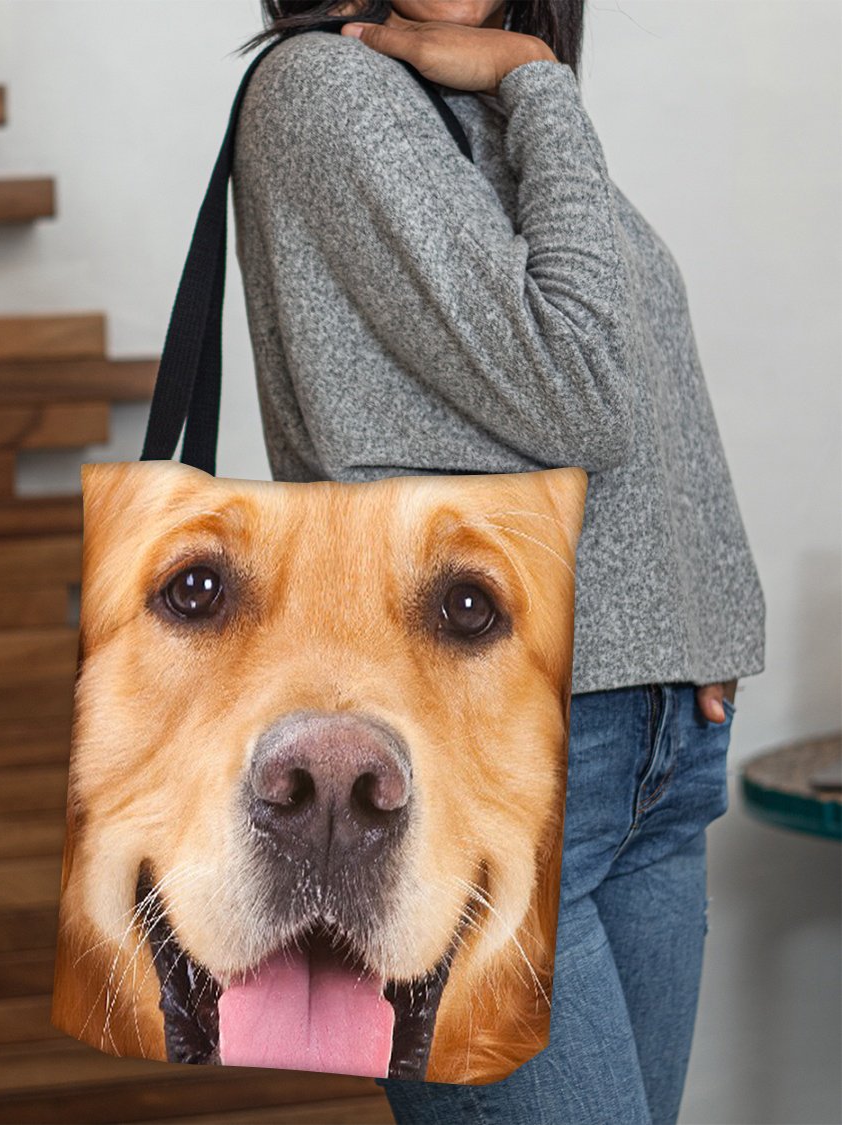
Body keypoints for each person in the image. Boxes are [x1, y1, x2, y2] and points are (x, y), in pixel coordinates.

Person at [231, 2, 766, 1122]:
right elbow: (582, 388)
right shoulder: (330, 92)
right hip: (483, 755)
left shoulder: (476, 100)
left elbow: (646, 363)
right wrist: (540, 79)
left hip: (649, 751)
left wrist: (692, 630)